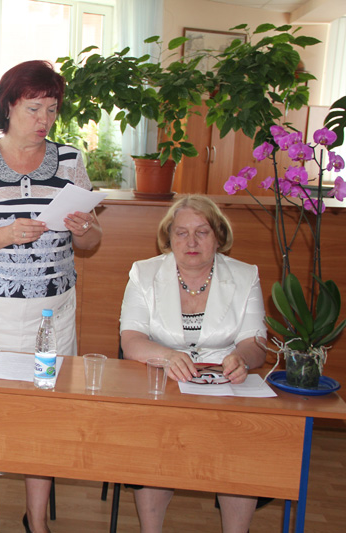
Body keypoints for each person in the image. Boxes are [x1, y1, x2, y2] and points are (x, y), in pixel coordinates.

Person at [0, 60, 102, 533]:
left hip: (54, 311)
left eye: (51, 109)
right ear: (9, 105)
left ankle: (36, 518)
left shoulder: (71, 160)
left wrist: (86, 229)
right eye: (34, 108)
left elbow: (92, 242)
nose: (44, 119)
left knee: (46, 413)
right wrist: (6, 234)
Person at [119, 194, 267, 533]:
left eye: (202, 232)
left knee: (243, 447)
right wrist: (168, 356)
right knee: (154, 442)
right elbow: (131, 341)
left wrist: (241, 358)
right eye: (182, 233)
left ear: (219, 236)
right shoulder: (144, 273)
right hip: (161, 383)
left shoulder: (245, 276)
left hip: (226, 389)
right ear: (169, 237)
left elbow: (256, 343)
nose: (191, 242)